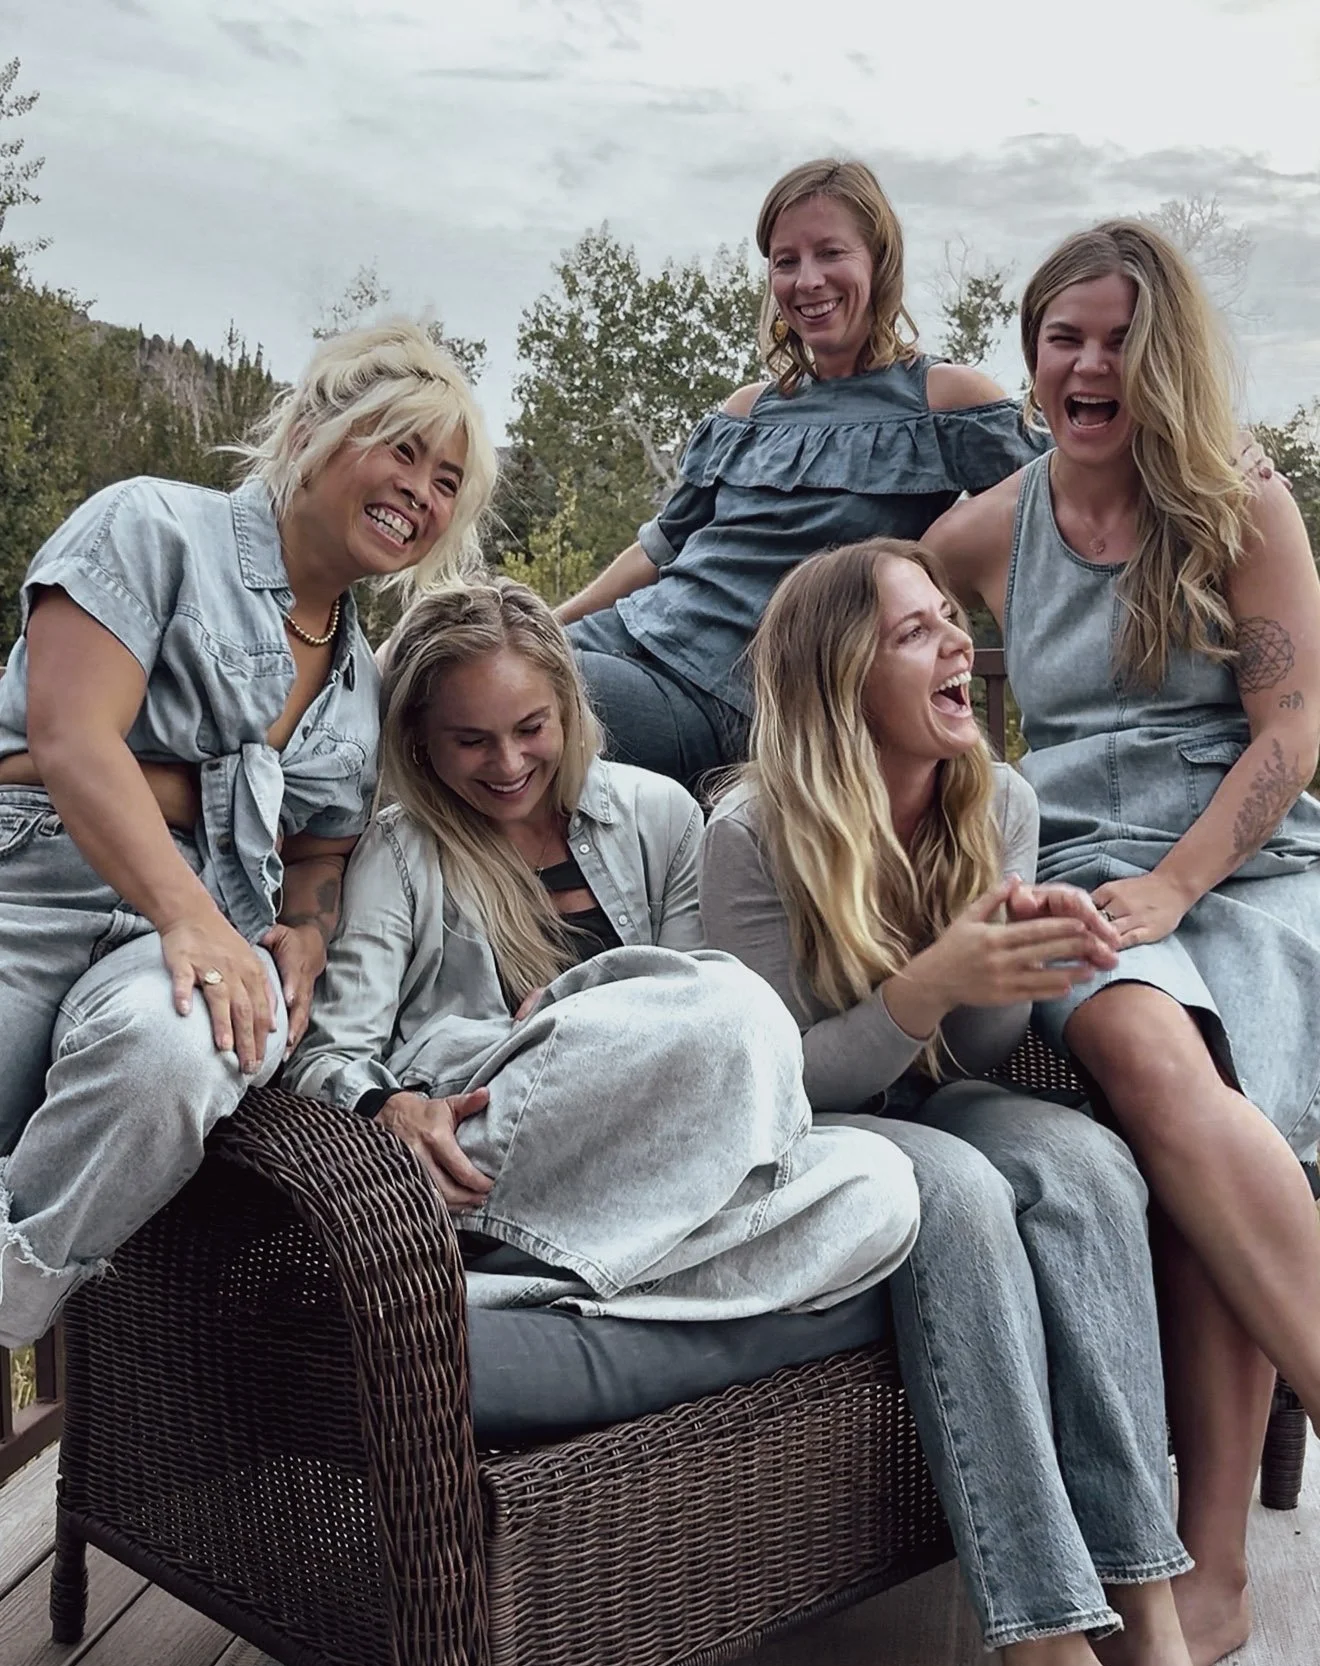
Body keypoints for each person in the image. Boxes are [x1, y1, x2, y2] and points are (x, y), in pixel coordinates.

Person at [700, 535, 1242, 1666]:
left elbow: (976, 1058)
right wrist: (933, 980)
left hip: (932, 1093)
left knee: (1086, 1162)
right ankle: (1048, 1648)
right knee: (955, 1196)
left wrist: (1020, 976)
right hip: (804, 1131)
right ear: (841, 672)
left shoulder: (992, 799)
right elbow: (771, 1086)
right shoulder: (749, 833)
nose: (960, 646)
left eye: (955, 620)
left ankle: (1148, 1611)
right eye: (918, 630)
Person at [924, 220, 1320, 1666]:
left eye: (1118, 338)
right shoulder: (993, 526)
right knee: (1163, 1057)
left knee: (1232, 1102)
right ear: (1032, 358)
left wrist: (1183, 881)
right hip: (1081, 871)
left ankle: (1212, 1574)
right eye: (1062, 339)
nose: (1089, 364)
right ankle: (1210, 1559)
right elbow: (877, 631)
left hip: (1251, 861)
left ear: (1164, 359)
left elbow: (1291, 731)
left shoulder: (1239, 502)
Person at [0, 319, 498, 1349]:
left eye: (447, 480)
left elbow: (319, 849)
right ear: (315, 429)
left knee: (191, 1047)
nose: (421, 491)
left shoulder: (364, 688)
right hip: (34, 886)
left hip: (181, 948)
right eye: (401, 449)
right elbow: (70, 738)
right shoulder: (152, 527)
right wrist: (193, 911)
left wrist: (308, 932)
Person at [285, 578, 920, 1319]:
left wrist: (589, 1002)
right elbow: (324, 1057)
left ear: (568, 709)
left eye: (531, 729)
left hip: (655, 1155)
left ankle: (564, 1294)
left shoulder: (660, 816)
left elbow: (701, 1032)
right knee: (742, 1004)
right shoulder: (398, 853)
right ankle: (603, 1265)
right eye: (471, 741)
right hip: (490, 1151)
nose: (508, 763)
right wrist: (387, 1105)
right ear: (420, 740)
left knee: (880, 1186)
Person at [555, 157, 1048, 787]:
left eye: (830, 253)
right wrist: (543, 621)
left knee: (505, 697)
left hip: (733, 697)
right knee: (458, 658)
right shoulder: (747, 410)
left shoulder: (943, 402)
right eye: (786, 261)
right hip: (626, 637)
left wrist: (934, 560)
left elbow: (1055, 510)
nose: (808, 280)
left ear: (879, 260)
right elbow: (659, 550)